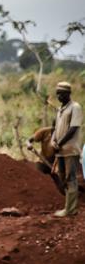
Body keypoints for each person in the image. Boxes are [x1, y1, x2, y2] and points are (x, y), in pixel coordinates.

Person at [51, 81, 81, 217]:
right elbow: (56, 129)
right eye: (58, 94)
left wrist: (60, 142)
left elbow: (74, 128)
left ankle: (71, 209)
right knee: (63, 177)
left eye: (62, 94)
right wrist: (53, 141)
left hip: (70, 149)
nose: (59, 97)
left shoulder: (75, 107)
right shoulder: (60, 110)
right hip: (60, 151)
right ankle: (68, 207)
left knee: (71, 178)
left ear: (69, 94)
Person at [26, 126, 85, 196]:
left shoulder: (65, 138)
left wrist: (55, 166)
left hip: (55, 164)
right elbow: (28, 140)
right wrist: (29, 145)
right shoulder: (44, 132)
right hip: (42, 161)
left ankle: (79, 192)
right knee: (38, 177)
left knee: (62, 187)